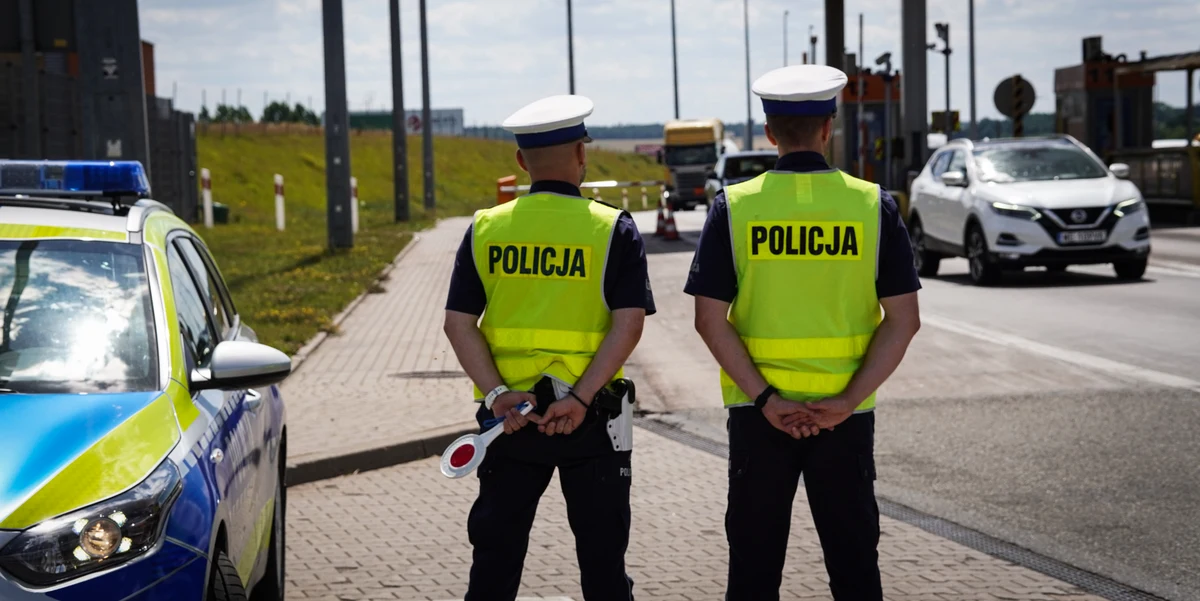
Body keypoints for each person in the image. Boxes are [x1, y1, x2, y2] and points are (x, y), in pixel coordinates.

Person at [685, 65, 922, 601]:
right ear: (829, 127)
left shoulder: (736, 208)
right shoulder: (872, 206)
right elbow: (904, 320)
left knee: (753, 569)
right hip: (844, 419)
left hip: (759, 417)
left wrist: (766, 399)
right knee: (855, 566)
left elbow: (707, 319)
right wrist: (845, 400)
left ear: (769, 133)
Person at [443, 94, 654, 601]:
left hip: (511, 421)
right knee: (604, 566)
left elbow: (458, 324)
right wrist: (579, 399)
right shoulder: (613, 229)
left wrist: (496, 394)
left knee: (494, 565)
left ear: (521, 162)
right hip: (592, 419)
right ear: (582, 155)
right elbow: (627, 326)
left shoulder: (486, 228)